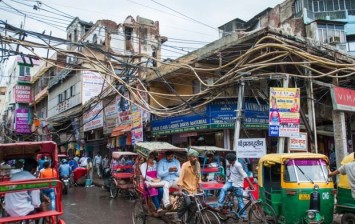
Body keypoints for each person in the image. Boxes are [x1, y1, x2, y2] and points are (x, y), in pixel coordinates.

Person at [217, 153, 254, 221]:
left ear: (230, 160)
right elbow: (231, 173)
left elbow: (244, 175)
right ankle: (219, 205)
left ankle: (244, 216)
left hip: (237, 184)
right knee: (223, 189)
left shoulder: (238, 165)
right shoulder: (231, 165)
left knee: (240, 201)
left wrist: (250, 184)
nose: (228, 161)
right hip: (231, 182)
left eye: (228, 160)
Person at [177, 149, 201, 223]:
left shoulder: (198, 164)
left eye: (196, 157)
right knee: (188, 203)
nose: (195, 159)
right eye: (193, 157)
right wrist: (180, 190)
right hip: (185, 188)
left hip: (194, 189)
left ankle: (189, 221)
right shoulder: (185, 165)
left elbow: (199, 177)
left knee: (194, 207)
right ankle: (178, 216)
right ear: (189, 157)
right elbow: (181, 178)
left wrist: (200, 188)